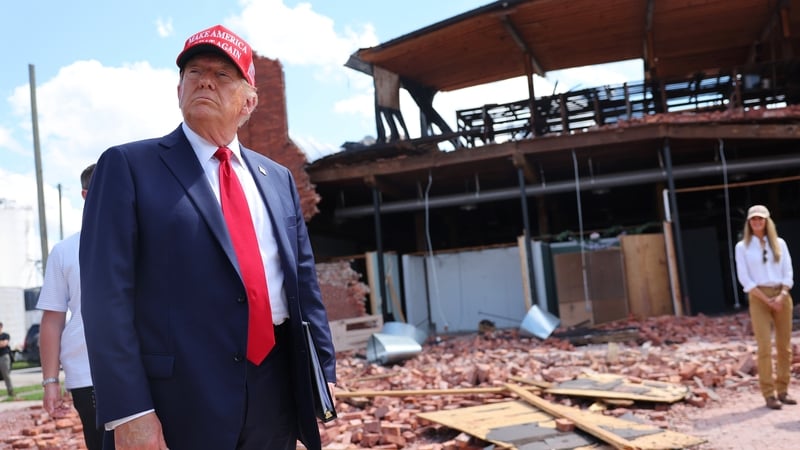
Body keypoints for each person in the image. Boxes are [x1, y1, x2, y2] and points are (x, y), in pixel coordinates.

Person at [80, 24, 336, 450]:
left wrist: (322, 374)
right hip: (176, 400)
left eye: (222, 75)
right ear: (178, 88)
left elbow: (303, 287)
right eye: (194, 71)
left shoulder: (278, 179)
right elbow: (105, 299)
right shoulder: (128, 167)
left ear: (249, 100)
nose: (204, 80)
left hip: (275, 390)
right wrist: (130, 411)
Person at [37, 164, 104, 450]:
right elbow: (52, 320)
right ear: (86, 195)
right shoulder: (64, 251)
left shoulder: (146, 239)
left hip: (145, 366)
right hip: (88, 374)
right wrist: (50, 381)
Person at [735, 204, 795, 410]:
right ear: (749, 223)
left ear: (767, 221)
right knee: (764, 346)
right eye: (753, 219)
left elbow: (788, 271)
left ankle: (783, 389)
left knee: (784, 346)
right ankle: (768, 393)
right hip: (758, 296)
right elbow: (745, 278)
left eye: (761, 219)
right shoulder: (742, 247)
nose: (757, 222)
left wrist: (782, 295)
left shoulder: (779, 244)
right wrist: (766, 299)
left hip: (781, 294)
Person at [0, 322, 12, 398]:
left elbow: (4, 344)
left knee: (6, 375)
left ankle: (10, 391)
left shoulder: (5, 335)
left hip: (4, 356)